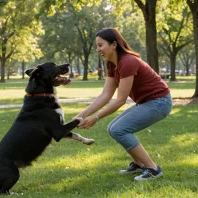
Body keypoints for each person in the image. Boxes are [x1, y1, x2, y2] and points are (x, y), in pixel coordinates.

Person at [74, 28, 172, 181]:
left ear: (113, 45)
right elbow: (106, 95)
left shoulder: (128, 62)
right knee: (113, 129)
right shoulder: (112, 64)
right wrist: (80, 116)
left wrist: (96, 117)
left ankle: (153, 169)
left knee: (119, 129)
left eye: (101, 45)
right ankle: (140, 164)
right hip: (147, 101)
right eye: (97, 46)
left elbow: (120, 100)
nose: (98, 49)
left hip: (160, 102)